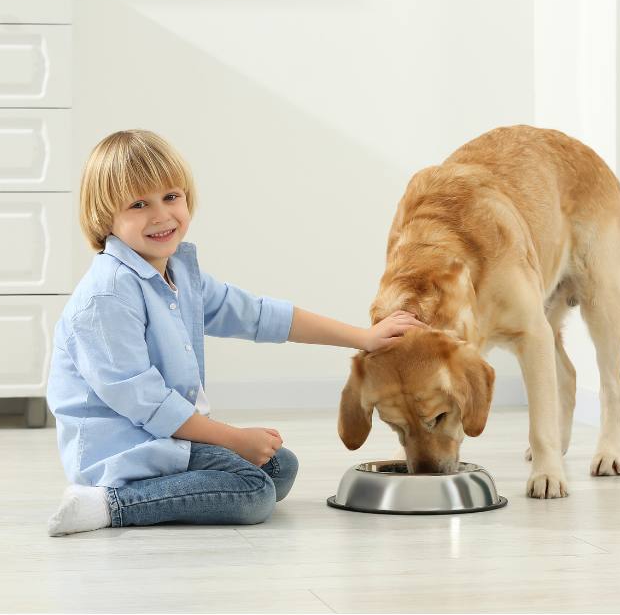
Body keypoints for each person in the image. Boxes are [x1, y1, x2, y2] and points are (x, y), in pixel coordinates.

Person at [45, 129, 425, 536]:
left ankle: (166, 490)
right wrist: (233, 438)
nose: (161, 215)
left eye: (170, 197)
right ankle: (107, 502)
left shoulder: (177, 273)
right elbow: (148, 404)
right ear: (106, 218)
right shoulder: (108, 293)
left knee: (280, 467)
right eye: (139, 204)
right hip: (122, 450)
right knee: (254, 493)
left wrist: (362, 338)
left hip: (164, 436)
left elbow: (257, 316)